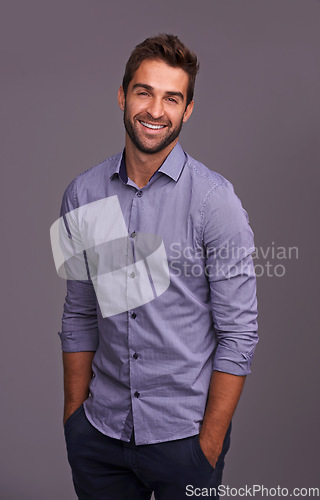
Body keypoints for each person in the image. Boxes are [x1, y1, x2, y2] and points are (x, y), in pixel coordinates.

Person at [52, 33, 258, 499]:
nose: (155, 110)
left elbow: (239, 333)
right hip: (99, 436)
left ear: (187, 110)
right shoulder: (83, 194)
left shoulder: (213, 202)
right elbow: (79, 314)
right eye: (144, 92)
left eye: (172, 98)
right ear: (123, 96)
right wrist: (73, 419)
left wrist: (208, 444)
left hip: (184, 442)